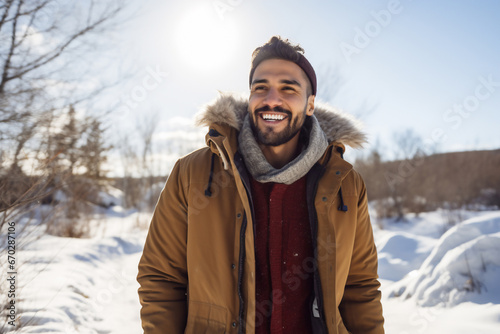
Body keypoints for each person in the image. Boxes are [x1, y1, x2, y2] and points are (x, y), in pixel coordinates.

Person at [137, 36, 384, 334]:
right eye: (260, 87)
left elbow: (360, 287)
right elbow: (161, 277)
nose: (271, 99)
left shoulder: (345, 182)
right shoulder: (193, 173)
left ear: (310, 105)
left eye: (288, 89)